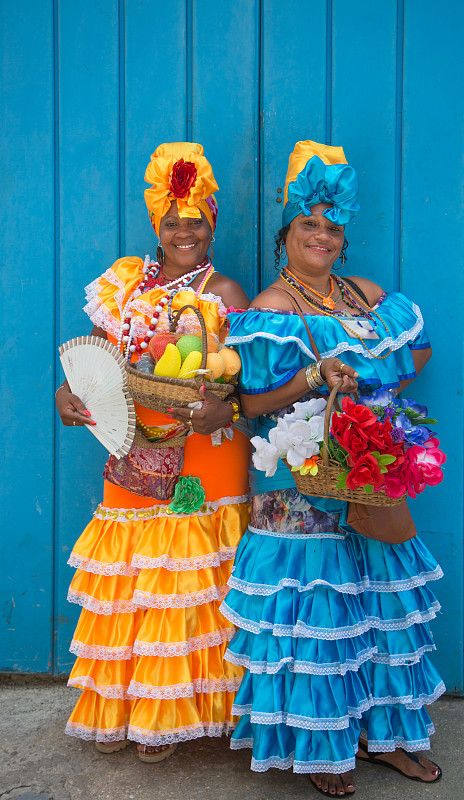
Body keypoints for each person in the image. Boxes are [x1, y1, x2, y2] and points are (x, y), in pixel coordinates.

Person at [219, 141, 444, 796]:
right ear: (284, 233)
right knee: (316, 616)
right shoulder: (272, 308)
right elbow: (248, 403)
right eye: (307, 225)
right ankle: (323, 747)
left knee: (385, 603)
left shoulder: (366, 294)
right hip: (296, 480)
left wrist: (372, 403)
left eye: (331, 226)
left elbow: (416, 353)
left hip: (366, 469)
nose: (321, 235)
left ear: (343, 237)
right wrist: (314, 380)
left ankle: (387, 738)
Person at [55, 142, 251, 762]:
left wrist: (229, 405)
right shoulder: (124, 285)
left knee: (194, 578)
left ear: (211, 224)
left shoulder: (226, 291)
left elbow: (245, 378)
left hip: (205, 451)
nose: (183, 231)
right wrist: (66, 389)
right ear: (156, 226)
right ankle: (144, 709)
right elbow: (93, 359)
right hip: (134, 449)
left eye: (195, 220)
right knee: (142, 580)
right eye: (172, 221)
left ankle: (195, 711)